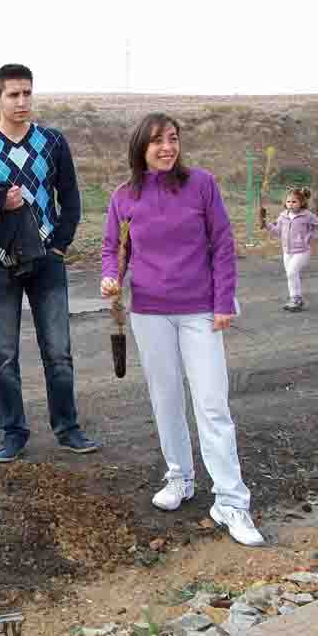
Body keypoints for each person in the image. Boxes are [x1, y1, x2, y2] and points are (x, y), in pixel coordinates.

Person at [100, 113, 264, 547]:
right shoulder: (124, 196)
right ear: (141, 148)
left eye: (172, 139)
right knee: (167, 399)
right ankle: (181, 478)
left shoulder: (202, 185)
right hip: (149, 313)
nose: (167, 148)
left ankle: (231, 501)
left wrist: (224, 301)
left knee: (212, 404)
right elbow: (111, 249)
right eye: (157, 141)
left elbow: (223, 244)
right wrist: (110, 277)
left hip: (200, 312)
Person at [0, 63, 101, 463]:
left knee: (59, 351)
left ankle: (68, 428)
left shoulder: (52, 142)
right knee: (5, 355)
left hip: (46, 260)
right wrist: (0, 200)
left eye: (27, 93)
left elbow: (70, 198)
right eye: (13, 95)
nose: (22, 102)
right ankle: (12, 432)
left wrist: (59, 246)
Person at [259, 187, 318, 311]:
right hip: (287, 251)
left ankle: (296, 299)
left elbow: (316, 225)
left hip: (302, 250)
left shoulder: (307, 215)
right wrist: (266, 224)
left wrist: (311, 238)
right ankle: (295, 298)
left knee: (292, 272)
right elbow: (278, 231)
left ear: (302, 203)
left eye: (294, 202)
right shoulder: (283, 216)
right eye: (288, 202)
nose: (290, 205)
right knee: (291, 275)